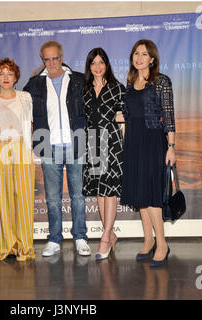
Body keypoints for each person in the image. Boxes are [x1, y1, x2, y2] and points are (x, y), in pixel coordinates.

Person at [23, 40, 91, 257]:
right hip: (47, 144)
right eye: (47, 59)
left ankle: (80, 236)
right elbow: (20, 105)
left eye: (55, 58)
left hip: (75, 143)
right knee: (52, 197)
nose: (51, 63)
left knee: (78, 196)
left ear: (62, 58)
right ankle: (54, 239)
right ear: (42, 60)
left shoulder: (80, 80)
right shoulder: (34, 84)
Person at [119, 39, 176, 267]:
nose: (138, 58)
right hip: (133, 141)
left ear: (152, 59)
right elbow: (127, 113)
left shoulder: (161, 82)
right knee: (141, 195)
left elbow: (169, 115)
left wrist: (171, 146)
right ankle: (148, 240)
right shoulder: (130, 82)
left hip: (154, 142)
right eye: (136, 53)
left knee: (152, 195)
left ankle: (162, 244)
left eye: (143, 54)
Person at [0, 57, 36, 261]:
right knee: (3, 199)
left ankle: (24, 247)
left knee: (25, 199)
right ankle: (5, 245)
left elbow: (30, 124)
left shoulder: (25, 97)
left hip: (22, 149)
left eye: (10, 73)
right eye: (2, 73)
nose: (6, 77)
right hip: (0, 152)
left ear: (16, 76)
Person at [82, 48, 125, 260]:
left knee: (111, 191)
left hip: (112, 143)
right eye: (93, 63)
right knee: (100, 191)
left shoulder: (117, 88)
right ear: (89, 66)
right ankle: (111, 234)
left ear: (107, 64)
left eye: (101, 62)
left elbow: (126, 118)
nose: (97, 67)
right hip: (92, 143)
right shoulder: (86, 90)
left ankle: (105, 238)